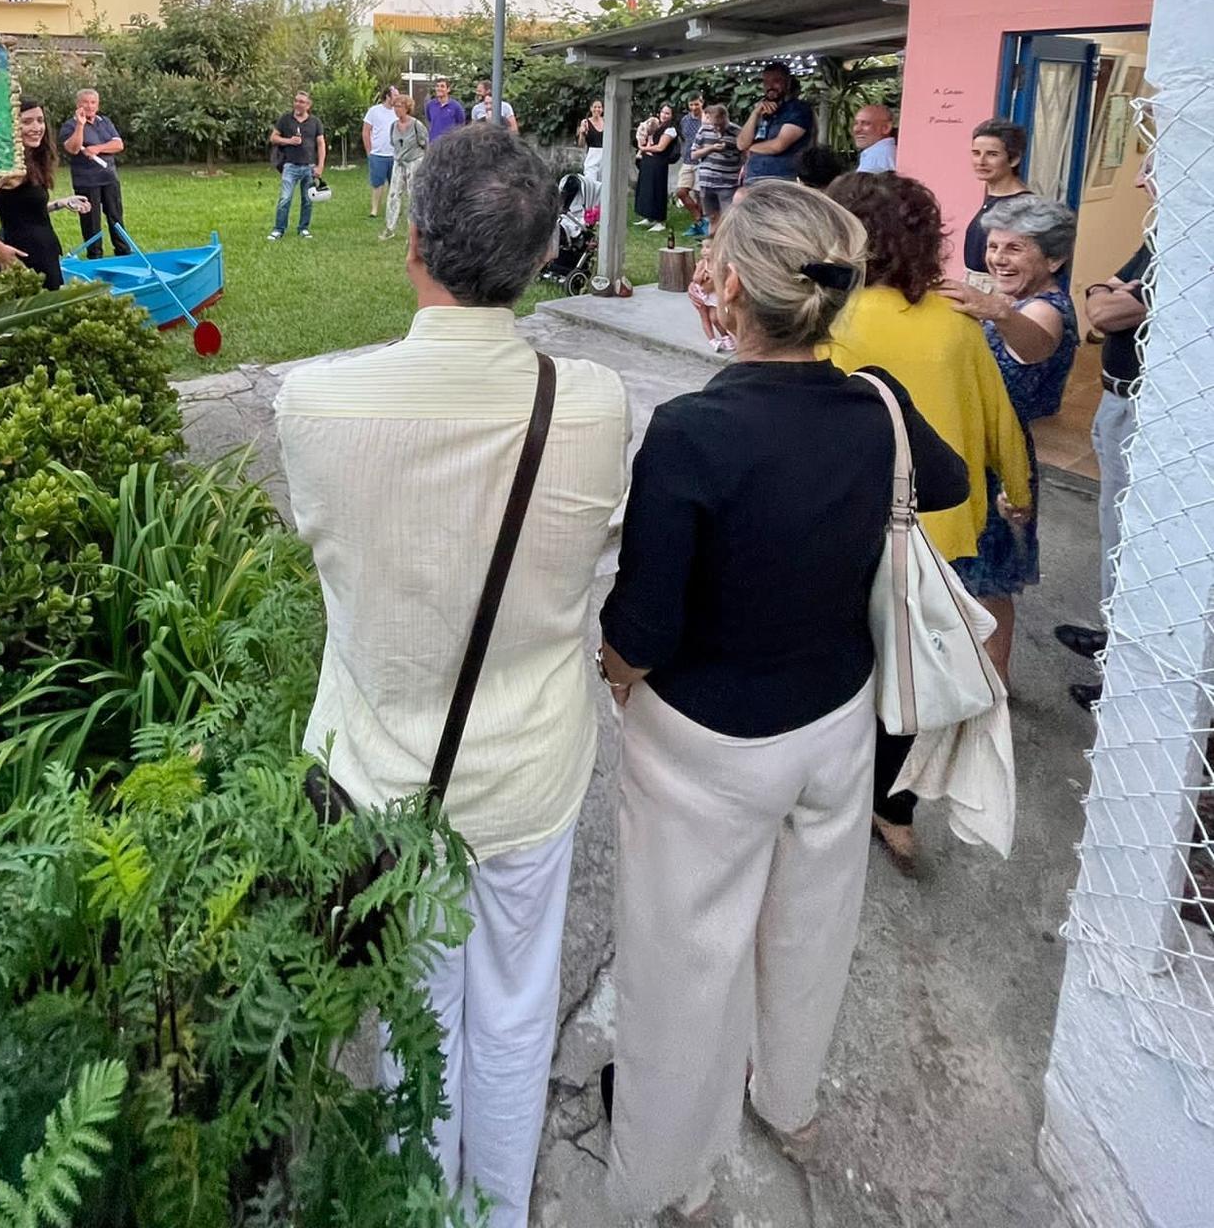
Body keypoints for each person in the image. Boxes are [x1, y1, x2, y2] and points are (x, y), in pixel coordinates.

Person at [276, 126, 629, 1228]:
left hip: (383, 779)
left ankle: (417, 1201)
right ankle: (494, 1210)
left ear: (414, 240)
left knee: (411, 1015)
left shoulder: (314, 403)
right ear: (536, 260)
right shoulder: (598, 401)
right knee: (515, 1007)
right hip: (529, 769)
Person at [598, 184, 968, 1218]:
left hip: (707, 739)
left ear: (723, 289)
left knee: (684, 961)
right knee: (812, 928)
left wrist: (615, 671)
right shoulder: (877, 402)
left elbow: (644, 627)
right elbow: (935, 483)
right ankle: (789, 1097)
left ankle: (667, 1167)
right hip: (837, 720)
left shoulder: (691, 429)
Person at [825, 172, 1032, 871]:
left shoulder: (830, 319)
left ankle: (830, 797)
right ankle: (895, 808)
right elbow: (1002, 423)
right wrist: (1021, 492)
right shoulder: (957, 323)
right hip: (938, 530)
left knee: (849, 664)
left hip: (846, 530)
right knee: (910, 674)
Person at [939, 194, 1080, 684]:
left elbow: (1035, 343)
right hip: (977, 447)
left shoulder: (1047, 311)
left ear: (1054, 258)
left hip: (1003, 458)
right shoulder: (1019, 301)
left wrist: (995, 311)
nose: (998, 258)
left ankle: (993, 687)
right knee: (968, 573)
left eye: (1015, 249)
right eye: (995, 247)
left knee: (989, 582)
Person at [1056, 165, 1154, 710]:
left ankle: (1130, 678)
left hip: (1143, 406)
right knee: (1116, 526)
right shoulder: (1160, 233)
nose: (1141, 179)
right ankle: (1118, 638)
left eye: (1152, 166)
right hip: (1117, 397)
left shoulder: (1189, 239)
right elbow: (1100, 303)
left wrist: (1110, 295)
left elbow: (1107, 307)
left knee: (1138, 534)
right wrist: (1110, 294)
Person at [0, 101, 88, 290]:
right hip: (24, 256)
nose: (36, 127)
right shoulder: (7, 165)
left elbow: (22, 212)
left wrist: (60, 203)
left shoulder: (29, 161)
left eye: (40, 121)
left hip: (44, 251)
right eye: (27, 122)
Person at [59, 88, 131, 260]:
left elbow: (118, 144)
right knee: (91, 221)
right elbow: (73, 148)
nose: (90, 106)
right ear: (78, 105)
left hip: (109, 177)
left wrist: (98, 148)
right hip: (86, 181)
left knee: (115, 216)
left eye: (93, 102)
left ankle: (123, 253)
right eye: (85, 102)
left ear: (97, 105)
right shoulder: (70, 126)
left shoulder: (104, 121)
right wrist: (80, 125)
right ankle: (95, 256)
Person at [962, 120, 1031, 287]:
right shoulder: (993, 198)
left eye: (992, 154)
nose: (981, 161)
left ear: (1014, 159)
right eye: (976, 153)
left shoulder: (1022, 206)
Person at [736, 61, 815, 183]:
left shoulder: (798, 109)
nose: (770, 86)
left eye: (776, 81)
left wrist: (750, 147)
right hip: (752, 178)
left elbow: (778, 145)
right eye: (766, 82)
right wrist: (755, 114)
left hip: (781, 179)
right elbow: (741, 143)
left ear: (788, 83)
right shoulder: (762, 110)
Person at [267, 90, 326, 242]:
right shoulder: (285, 119)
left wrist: (320, 166)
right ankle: (278, 229)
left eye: (302, 102)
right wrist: (289, 141)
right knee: (285, 198)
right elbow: (273, 138)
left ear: (308, 105)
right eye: (296, 101)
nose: (298, 104)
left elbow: (321, 144)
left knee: (307, 200)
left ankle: (303, 228)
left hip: (309, 167)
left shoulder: (315, 122)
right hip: (290, 166)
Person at [381, 93, 427, 240]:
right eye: (395, 106)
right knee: (393, 194)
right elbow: (393, 143)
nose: (396, 109)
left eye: (399, 106)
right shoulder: (394, 126)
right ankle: (389, 228)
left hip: (414, 162)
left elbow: (425, 143)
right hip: (399, 162)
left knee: (413, 195)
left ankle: (414, 232)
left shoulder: (416, 125)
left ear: (407, 108)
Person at [690, 99, 743, 223]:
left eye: (721, 125)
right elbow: (693, 155)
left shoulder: (737, 132)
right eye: (715, 125)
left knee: (729, 219)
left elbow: (745, 154)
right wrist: (711, 148)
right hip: (707, 183)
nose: (718, 128)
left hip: (727, 183)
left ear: (726, 118)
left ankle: (727, 242)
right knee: (712, 218)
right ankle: (712, 241)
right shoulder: (704, 130)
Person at [632, 102, 678, 229]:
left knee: (657, 190)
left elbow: (660, 147)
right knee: (646, 189)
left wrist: (643, 148)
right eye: (663, 112)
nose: (664, 115)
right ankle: (649, 217)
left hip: (659, 163)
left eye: (667, 113)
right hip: (648, 162)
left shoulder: (670, 129)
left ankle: (660, 221)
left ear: (672, 115)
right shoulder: (654, 124)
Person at [362, 84, 398, 219]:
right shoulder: (374, 111)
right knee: (377, 183)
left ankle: (393, 209)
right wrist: (369, 151)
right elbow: (366, 131)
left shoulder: (398, 111)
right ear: (387, 96)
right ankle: (374, 210)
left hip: (395, 155)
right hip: (378, 154)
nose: (397, 97)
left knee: (395, 185)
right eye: (395, 95)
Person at [675, 95, 706, 237]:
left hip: (702, 161)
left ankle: (700, 224)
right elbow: (684, 137)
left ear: (702, 103)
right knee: (681, 192)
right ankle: (699, 218)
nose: (694, 107)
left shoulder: (706, 119)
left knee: (700, 195)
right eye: (691, 104)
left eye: (696, 104)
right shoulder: (685, 120)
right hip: (687, 160)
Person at [852, 104, 898, 173]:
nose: (856, 129)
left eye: (866, 123)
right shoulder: (890, 151)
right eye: (856, 123)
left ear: (886, 128)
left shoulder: (876, 156)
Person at [425, 76, 467, 142]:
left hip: (449, 145)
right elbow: (429, 120)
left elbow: (461, 125)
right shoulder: (430, 105)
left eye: (442, 86)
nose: (439, 88)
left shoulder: (456, 106)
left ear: (448, 89)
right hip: (434, 144)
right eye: (437, 86)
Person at [578, 98, 606, 181]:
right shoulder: (586, 123)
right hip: (592, 156)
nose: (597, 109)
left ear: (602, 109)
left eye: (599, 107)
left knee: (603, 184)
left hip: (605, 155)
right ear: (591, 108)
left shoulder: (607, 121)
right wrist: (582, 133)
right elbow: (581, 144)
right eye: (595, 107)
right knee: (590, 182)